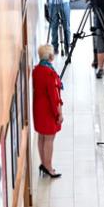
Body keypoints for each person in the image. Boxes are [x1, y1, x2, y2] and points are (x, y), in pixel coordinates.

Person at [32, 44, 63, 178]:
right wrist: (58, 113)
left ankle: (44, 164)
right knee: (49, 138)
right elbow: (54, 96)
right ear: (50, 56)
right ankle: (49, 167)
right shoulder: (49, 73)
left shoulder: (36, 70)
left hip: (38, 107)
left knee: (41, 136)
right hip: (48, 109)